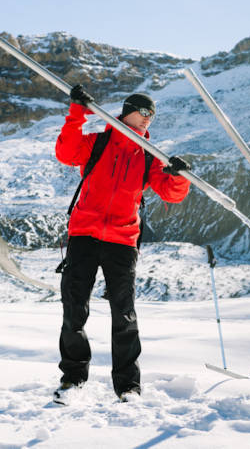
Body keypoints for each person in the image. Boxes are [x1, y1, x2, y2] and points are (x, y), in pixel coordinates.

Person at [53, 84, 191, 403]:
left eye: (152, 115)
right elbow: (66, 152)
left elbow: (171, 193)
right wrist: (77, 113)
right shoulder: (99, 143)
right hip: (84, 235)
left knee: (124, 314)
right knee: (74, 309)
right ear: (127, 111)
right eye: (143, 112)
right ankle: (73, 379)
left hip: (122, 240)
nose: (147, 119)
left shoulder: (149, 157)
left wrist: (178, 176)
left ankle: (128, 387)